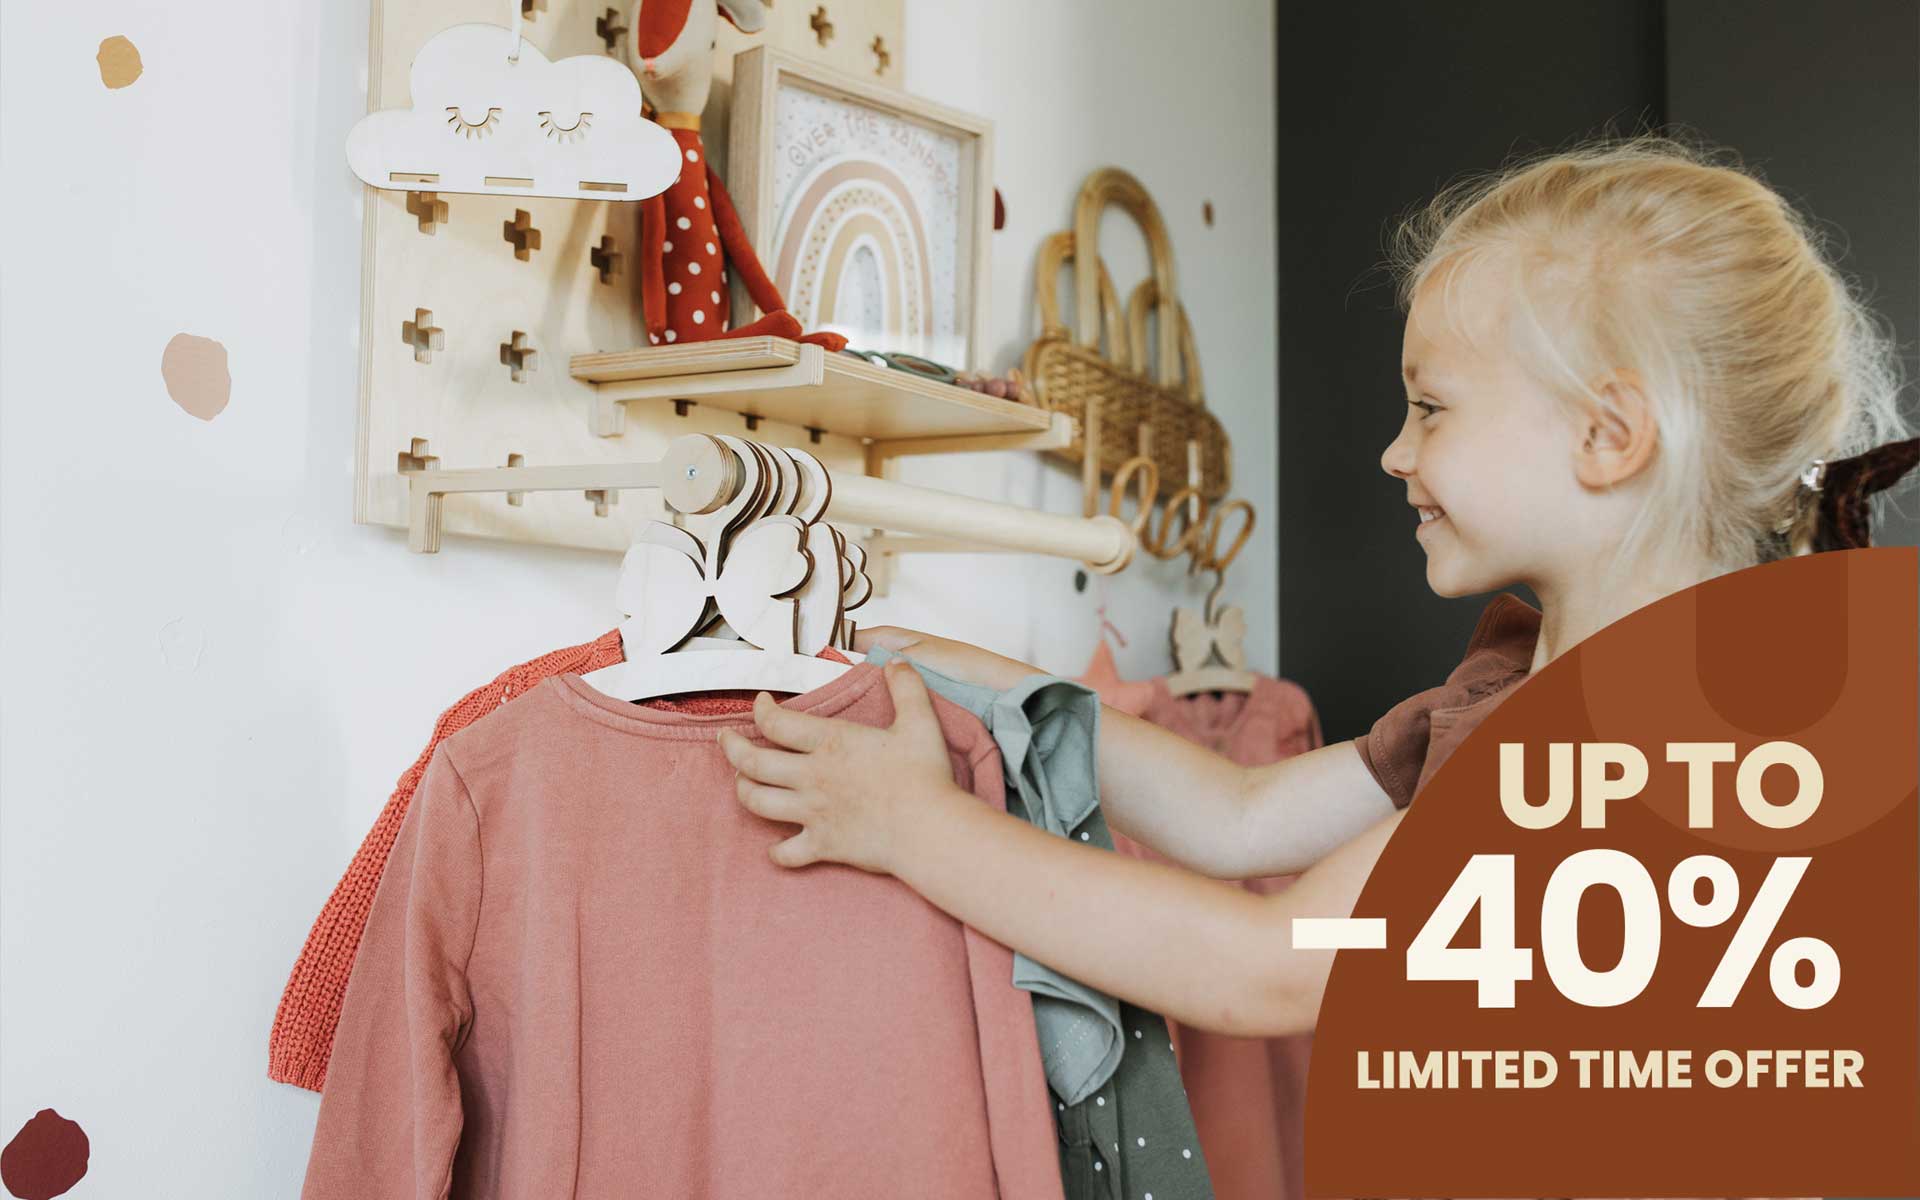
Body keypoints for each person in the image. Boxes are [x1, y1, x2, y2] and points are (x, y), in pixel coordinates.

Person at [716, 136, 1914, 1040]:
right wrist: (963, 667)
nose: (1396, 453)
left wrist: (916, 829)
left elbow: (1273, 961)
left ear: (1608, 436)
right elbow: (1240, 822)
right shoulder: (1516, 686)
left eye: (1431, 409)